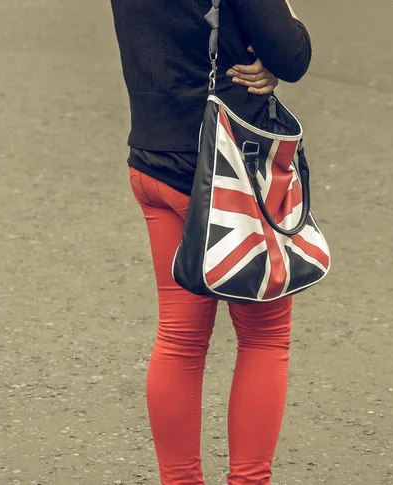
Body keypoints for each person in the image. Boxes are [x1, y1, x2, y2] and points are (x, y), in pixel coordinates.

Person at [109, 0, 312, 483]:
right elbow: (291, 53)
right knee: (263, 337)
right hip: (223, 167)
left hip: (154, 159)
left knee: (180, 339)